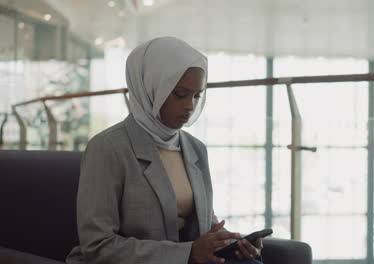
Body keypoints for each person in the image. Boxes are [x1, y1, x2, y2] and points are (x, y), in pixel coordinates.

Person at [66, 37, 264, 264]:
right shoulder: (108, 148)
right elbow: (97, 246)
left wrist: (235, 244)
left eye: (196, 95)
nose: (190, 106)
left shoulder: (195, 149)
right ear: (150, 88)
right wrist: (187, 254)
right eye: (180, 94)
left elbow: (203, 227)